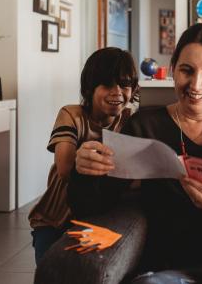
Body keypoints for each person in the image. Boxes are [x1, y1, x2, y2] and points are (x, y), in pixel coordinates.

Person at [73, 23, 202, 283]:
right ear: (173, 68)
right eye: (187, 70)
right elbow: (96, 205)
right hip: (162, 267)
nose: (195, 85)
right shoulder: (145, 125)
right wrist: (84, 168)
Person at [27, 47, 139, 265]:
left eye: (124, 85)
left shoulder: (129, 119)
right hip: (55, 218)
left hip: (97, 216)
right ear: (89, 87)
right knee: (52, 271)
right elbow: (65, 167)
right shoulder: (72, 115)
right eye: (107, 84)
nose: (117, 92)